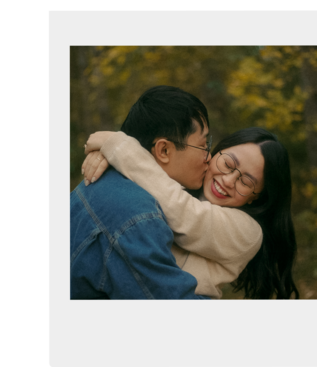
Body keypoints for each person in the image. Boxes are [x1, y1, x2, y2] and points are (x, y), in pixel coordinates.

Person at [83, 125, 299, 299]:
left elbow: (183, 212)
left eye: (246, 182)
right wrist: (108, 158)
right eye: (228, 163)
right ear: (216, 152)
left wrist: (119, 147)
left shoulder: (249, 233)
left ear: (256, 197)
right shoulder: (183, 183)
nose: (228, 180)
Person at [70, 85, 215, 299]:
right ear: (164, 150)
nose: (208, 157)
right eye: (204, 145)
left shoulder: (106, 182)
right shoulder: (137, 216)